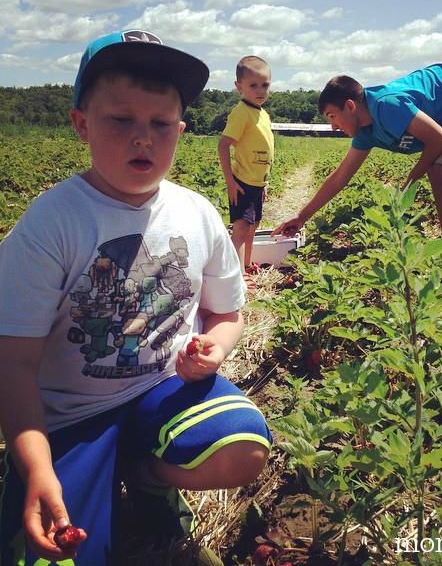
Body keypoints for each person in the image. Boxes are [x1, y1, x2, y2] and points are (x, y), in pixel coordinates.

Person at [0, 30, 271, 566]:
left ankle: (141, 476)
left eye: (160, 123)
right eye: (121, 120)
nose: (142, 138)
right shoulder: (52, 225)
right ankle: (72, 474)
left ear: (181, 129)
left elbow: (227, 312)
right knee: (56, 556)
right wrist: (35, 465)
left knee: (242, 444)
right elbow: (12, 364)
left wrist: (214, 347)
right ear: (82, 124)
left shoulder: (196, 214)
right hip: (67, 419)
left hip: (159, 395)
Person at [273, 57, 442, 261]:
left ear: (350, 106)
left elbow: (440, 140)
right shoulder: (366, 131)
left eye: (332, 116)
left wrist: (411, 181)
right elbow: (340, 177)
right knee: (439, 169)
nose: (334, 126)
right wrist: (301, 216)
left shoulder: (386, 105)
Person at [217, 56, 274, 288]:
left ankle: (248, 264)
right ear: (238, 86)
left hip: (257, 183)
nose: (260, 90)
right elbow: (223, 145)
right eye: (253, 85)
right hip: (242, 182)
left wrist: (265, 182)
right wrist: (230, 181)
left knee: (253, 226)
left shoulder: (262, 113)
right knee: (240, 228)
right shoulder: (241, 112)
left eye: (265, 85)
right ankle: (236, 275)